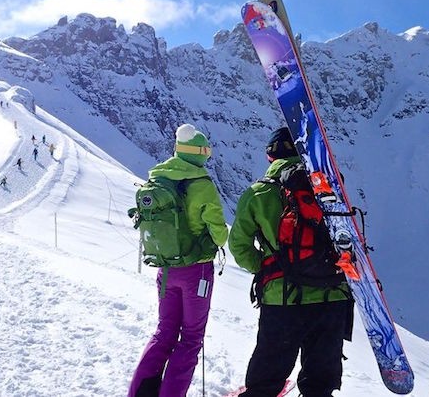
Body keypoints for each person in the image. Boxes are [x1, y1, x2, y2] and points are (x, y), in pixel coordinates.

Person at [228, 128, 352, 397]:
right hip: (333, 296)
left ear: (271, 157)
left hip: (283, 299)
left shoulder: (259, 193)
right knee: (319, 385)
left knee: (266, 380)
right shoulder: (330, 188)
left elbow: (239, 245)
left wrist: (266, 267)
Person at [128, 124, 229, 397]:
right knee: (191, 338)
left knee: (164, 333)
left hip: (166, 268)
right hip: (196, 272)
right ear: (199, 153)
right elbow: (219, 232)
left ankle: (139, 393)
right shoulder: (201, 183)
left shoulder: (159, 178)